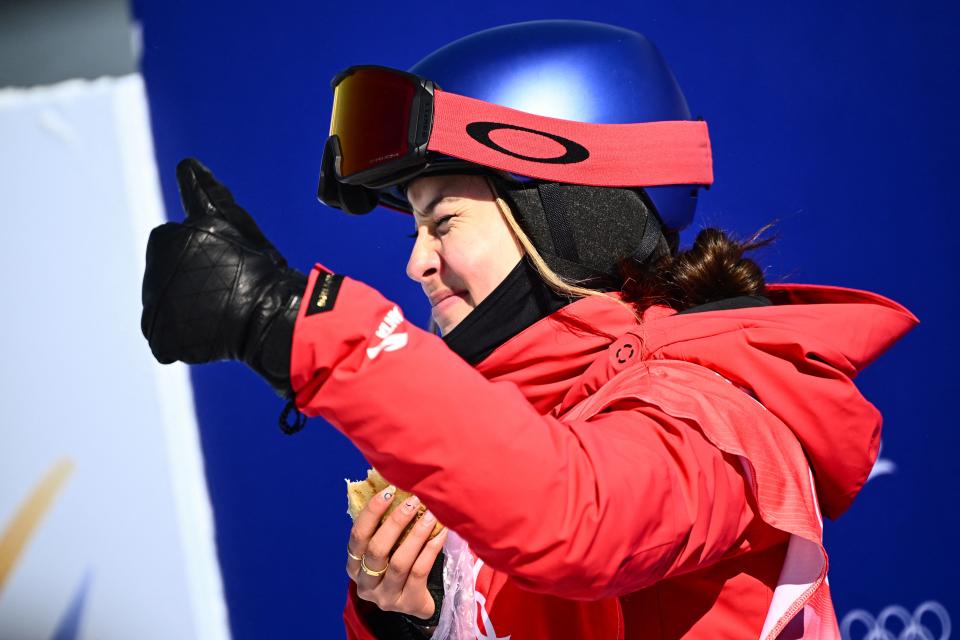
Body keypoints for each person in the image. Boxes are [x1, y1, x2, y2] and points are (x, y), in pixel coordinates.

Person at [140, 20, 918, 640]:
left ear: (568, 215)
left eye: (442, 220)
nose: (416, 263)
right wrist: (411, 620)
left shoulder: (713, 416)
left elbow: (579, 517)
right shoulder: (517, 445)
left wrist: (284, 322)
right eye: (411, 230)